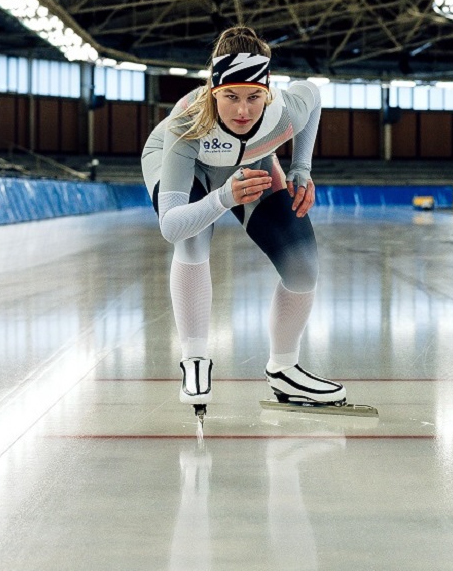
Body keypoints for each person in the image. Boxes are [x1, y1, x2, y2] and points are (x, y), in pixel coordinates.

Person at [141, 25, 345, 411]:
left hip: (253, 165)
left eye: (254, 97)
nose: (242, 110)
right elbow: (170, 225)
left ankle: (284, 369)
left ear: (267, 92)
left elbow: (313, 95)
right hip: (189, 169)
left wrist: (302, 167)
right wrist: (223, 197)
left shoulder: (285, 112)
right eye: (230, 96)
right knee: (192, 236)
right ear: (213, 90)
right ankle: (195, 358)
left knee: (303, 265)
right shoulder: (186, 122)